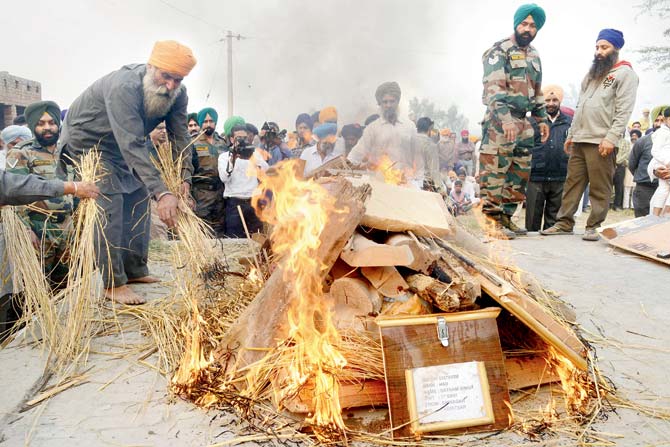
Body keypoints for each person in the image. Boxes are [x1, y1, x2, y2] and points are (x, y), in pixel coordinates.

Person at [58, 40, 197, 304]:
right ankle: (112, 282)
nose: (170, 86)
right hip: (88, 144)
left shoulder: (179, 94)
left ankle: (134, 269)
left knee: (138, 196)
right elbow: (133, 144)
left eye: (176, 80)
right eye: (165, 76)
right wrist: (163, 193)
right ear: (151, 66)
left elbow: (181, 137)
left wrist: (183, 179)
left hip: (122, 146)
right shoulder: (124, 87)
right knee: (109, 199)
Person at [541, 29, 639, 241]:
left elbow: (624, 110)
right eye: (597, 47)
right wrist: (571, 134)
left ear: (616, 48)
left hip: (602, 140)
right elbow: (580, 106)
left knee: (599, 187)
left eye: (604, 47)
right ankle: (564, 223)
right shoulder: (592, 75)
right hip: (580, 139)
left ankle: (593, 226)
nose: (599, 52)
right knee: (572, 183)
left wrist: (611, 138)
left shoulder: (625, 74)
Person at [1, 171, 99, 338]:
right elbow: (13, 186)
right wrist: (72, 187)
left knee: (61, 278)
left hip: (63, 227)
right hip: (40, 228)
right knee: (35, 281)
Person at [480, 4, 550, 238]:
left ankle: (507, 218)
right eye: (524, 24)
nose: (528, 29)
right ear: (516, 24)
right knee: (495, 171)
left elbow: (537, 90)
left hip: (524, 123)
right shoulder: (499, 51)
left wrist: (541, 119)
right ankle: (491, 221)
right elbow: (494, 90)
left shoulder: (535, 55)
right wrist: (506, 120)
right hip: (501, 122)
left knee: (518, 174)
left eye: (532, 26)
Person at [6, 101, 74, 289]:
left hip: (66, 229)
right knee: (37, 289)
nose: (47, 128)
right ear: (33, 125)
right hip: (38, 230)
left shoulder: (67, 152)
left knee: (65, 286)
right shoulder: (21, 153)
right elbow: (13, 194)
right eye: (41, 123)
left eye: (51, 123)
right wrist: (26, 230)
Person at [347, 81, 423, 187]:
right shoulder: (372, 128)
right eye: (385, 102)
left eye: (392, 101)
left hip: (405, 184)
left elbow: (418, 156)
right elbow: (355, 155)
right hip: (379, 185)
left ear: (398, 101)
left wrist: (418, 182)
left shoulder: (409, 126)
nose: (388, 105)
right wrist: (344, 170)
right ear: (380, 103)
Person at [525, 85, 572, 231]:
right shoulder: (532, 121)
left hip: (560, 176)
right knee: (532, 220)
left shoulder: (570, 122)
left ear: (560, 101)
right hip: (536, 176)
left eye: (555, 100)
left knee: (553, 223)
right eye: (547, 100)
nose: (551, 103)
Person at [218, 125, 268, 237]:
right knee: (234, 241)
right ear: (231, 139)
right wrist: (233, 158)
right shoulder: (224, 157)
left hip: (253, 202)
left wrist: (253, 158)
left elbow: (266, 172)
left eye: (244, 138)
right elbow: (224, 178)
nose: (242, 141)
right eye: (238, 138)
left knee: (257, 239)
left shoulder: (255, 154)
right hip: (235, 203)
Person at [191, 107, 227, 237]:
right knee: (202, 231)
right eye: (205, 121)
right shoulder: (193, 142)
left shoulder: (222, 143)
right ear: (200, 123)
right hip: (201, 195)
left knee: (220, 230)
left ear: (215, 123)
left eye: (211, 121)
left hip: (219, 194)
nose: (208, 124)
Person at [628, 106, 666, 216]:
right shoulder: (643, 141)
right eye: (656, 120)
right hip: (644, 188)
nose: (659, 124)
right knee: (642, 223)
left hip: (665, 189)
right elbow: (632, 164)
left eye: (662, 121)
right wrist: (644, 176)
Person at [648, 107, 670, 216]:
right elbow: (654, 155)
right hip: (665, 165)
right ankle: (659, 215)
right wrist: (657, 170)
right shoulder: (662, 133)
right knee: (664, 187)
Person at [415, 117, 445, 194]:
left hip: (408, 183)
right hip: (424, 184)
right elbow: (434, 170)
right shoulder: (430, 145)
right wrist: (440, 188)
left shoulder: (409, 141)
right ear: (430, 128)